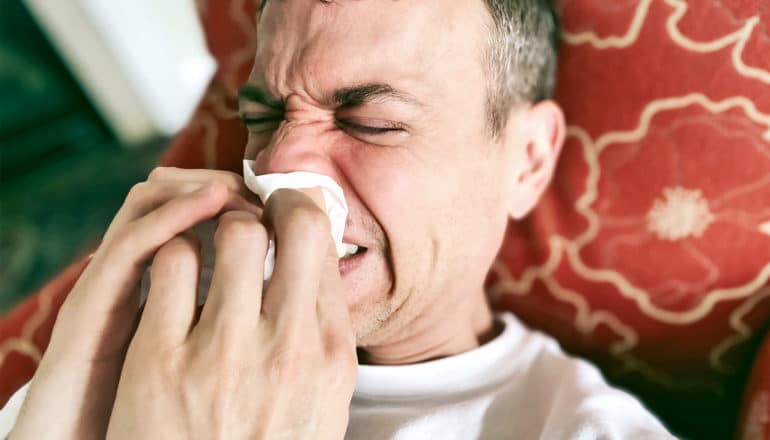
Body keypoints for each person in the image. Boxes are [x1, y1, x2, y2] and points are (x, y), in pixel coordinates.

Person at [2, 0, 676, 438]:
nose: (276, 165)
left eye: (371, 123)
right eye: (263, 117)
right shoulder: (155, 314)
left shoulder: (584, 429)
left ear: (527, 161)